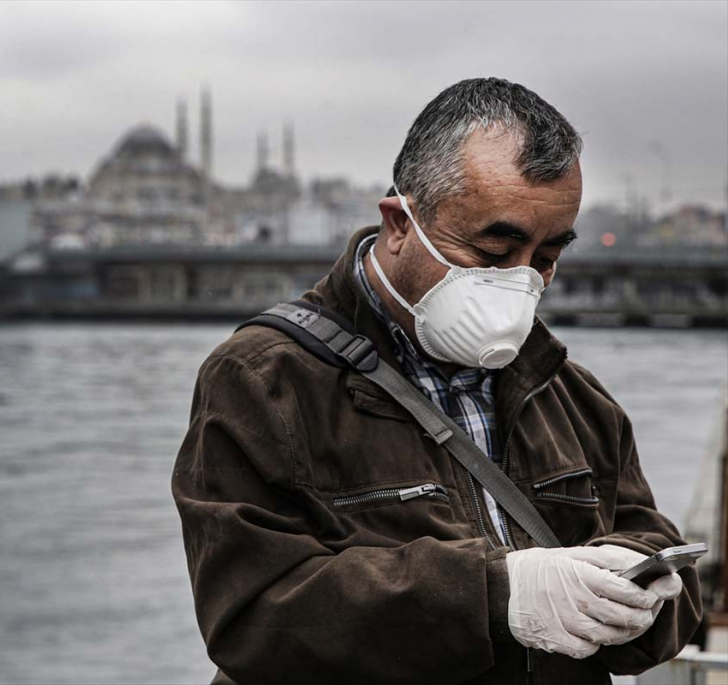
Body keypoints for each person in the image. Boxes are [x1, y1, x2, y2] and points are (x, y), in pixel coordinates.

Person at [171, 77, 702, 685]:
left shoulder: (570, 393)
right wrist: (497, 597)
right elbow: (249, 618)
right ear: (400, 224)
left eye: (548, 255)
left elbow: (667, 573)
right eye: (493, 250)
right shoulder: (264, 380)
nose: (522, 281)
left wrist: (639, 594)